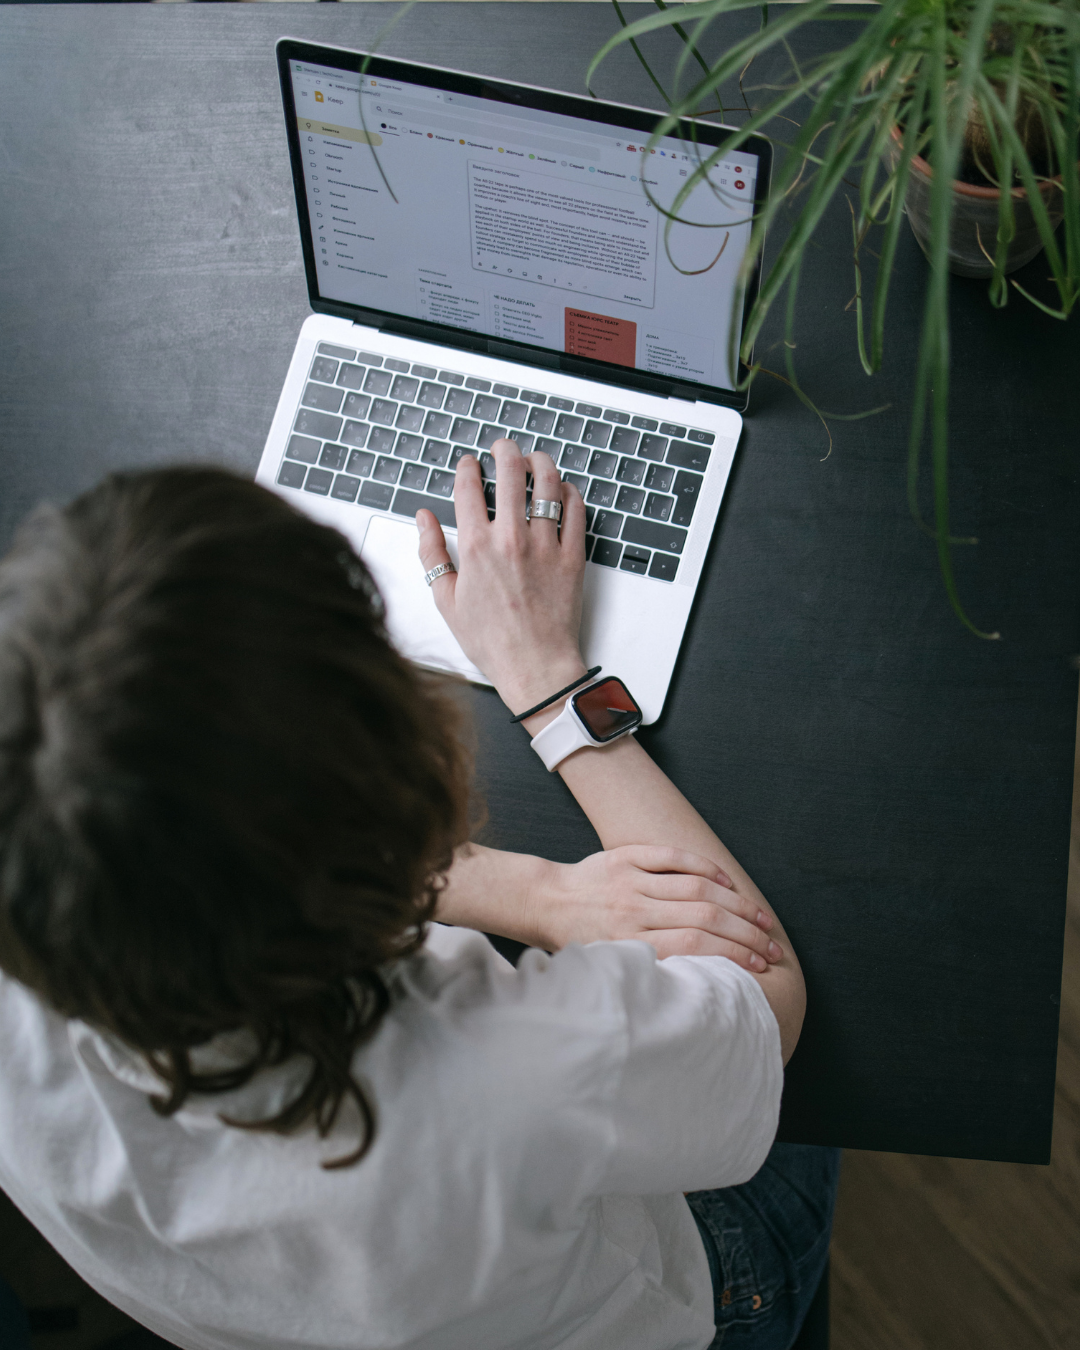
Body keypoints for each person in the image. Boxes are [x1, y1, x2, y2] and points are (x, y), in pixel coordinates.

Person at [0, 443, 838, 1350]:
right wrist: (549, 684)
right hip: (678, 1292)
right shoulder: (513, 1070)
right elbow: (765, 992)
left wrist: (531, 891)